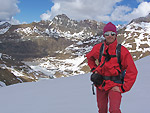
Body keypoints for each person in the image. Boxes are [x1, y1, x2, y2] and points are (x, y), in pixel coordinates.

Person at [86, 22, 138, 113]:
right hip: (100, 84)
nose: (110, 36)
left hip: (115, 85)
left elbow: (132, 71)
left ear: (116, 35)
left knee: (114, 110)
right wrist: (94, 70)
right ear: (104, 35)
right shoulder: (99, 48)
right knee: (102, 110)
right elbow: (90, 58)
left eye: (112, 33)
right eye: (107, 34)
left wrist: (123, 88)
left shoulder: (122, 51)